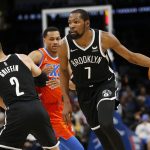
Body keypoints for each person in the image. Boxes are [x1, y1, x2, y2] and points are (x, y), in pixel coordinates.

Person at [58, 9, 150, 150]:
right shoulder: (64, 45)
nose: (72, 26)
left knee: (106, 123)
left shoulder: (104, 38)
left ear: (87, 23)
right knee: (100, 132)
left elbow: (131, 56)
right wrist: (66, 101)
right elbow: (63, 71)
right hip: (83, 91)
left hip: (104, 84)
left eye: (76, 22)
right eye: (70, 22)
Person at [28, 27, 84, 150]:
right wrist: (39, 74)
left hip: (63, 112)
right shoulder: (37, 55)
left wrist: (62, 82)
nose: (55, 42)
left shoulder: (64, 59)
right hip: (48, 113)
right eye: (51, 39)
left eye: (58, 39)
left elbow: (75, 85)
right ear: (44, 40)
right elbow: (20, 75)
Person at [0, 42, 59, 150]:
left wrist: (12, 108)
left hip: (17, 111)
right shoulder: (22, 57)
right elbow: (43, 80)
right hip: (37, 107)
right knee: (53, 148)